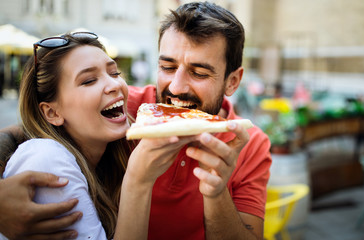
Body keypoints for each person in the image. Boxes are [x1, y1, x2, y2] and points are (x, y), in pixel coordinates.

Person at [0, 2, 271, 240]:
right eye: (167, 67)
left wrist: (216, 192)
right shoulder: (127, 111)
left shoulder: (250, 143)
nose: (176, 87)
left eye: (198, 72)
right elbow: (26, 136)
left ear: (232, 81)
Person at [0, 32, 198, 239]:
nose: (115, 85)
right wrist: (138, 180)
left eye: (114, 73)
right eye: (88, 81)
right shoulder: (47, 159)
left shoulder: (113, 145)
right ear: (52, 113)